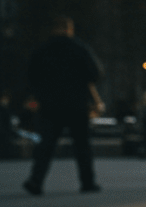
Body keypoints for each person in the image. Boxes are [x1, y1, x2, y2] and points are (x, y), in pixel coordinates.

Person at [23, 16, 104, 195]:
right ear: (70, 29)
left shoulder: (42, 50)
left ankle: (36, 180)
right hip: (77, 104)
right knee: (82, 145)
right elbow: (95, 73)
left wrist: (38, 95)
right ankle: (87, 182)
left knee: (46, 145)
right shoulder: (80, 48)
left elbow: (31, 75)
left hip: (50, 105)